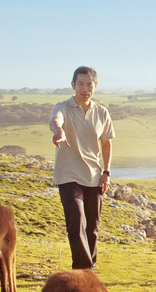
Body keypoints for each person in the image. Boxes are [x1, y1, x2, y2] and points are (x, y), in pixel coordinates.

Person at [48, 66, 114, 270]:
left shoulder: (101, 112)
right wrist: (59, 131)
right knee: (76, 223)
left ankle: (89, 267)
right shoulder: (63, 107)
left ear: (95, 86)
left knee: (92, 228)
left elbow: (106, 143)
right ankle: (83, 270)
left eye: (89, 85)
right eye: (81, 84)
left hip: (94, 176)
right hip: (68, 175)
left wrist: (106, 172)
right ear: (73, 85)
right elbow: (55, 120)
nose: (85, 89)